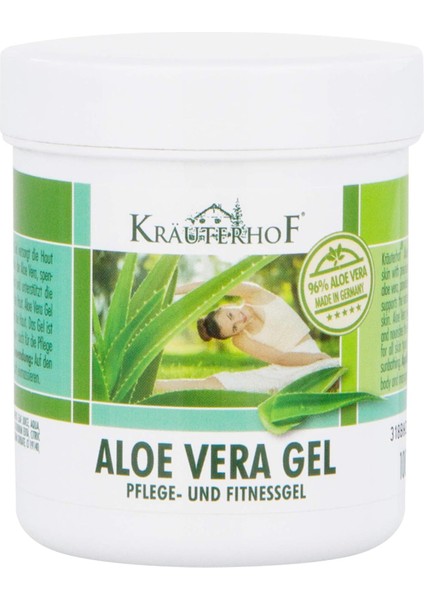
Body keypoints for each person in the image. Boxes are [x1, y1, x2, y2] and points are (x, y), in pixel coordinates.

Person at [155, 280, 339, 394]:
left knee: (334, 371)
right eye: (234, 328)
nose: (239, 320)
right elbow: (280, 358)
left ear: (225, 307)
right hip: (285, 367)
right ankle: (156, 385)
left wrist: (173, 291)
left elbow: (213, 286)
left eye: (230, 315)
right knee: (217, 384)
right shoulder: (240, 339)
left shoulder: (255, 294)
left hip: (308, 355)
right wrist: (315, 358)